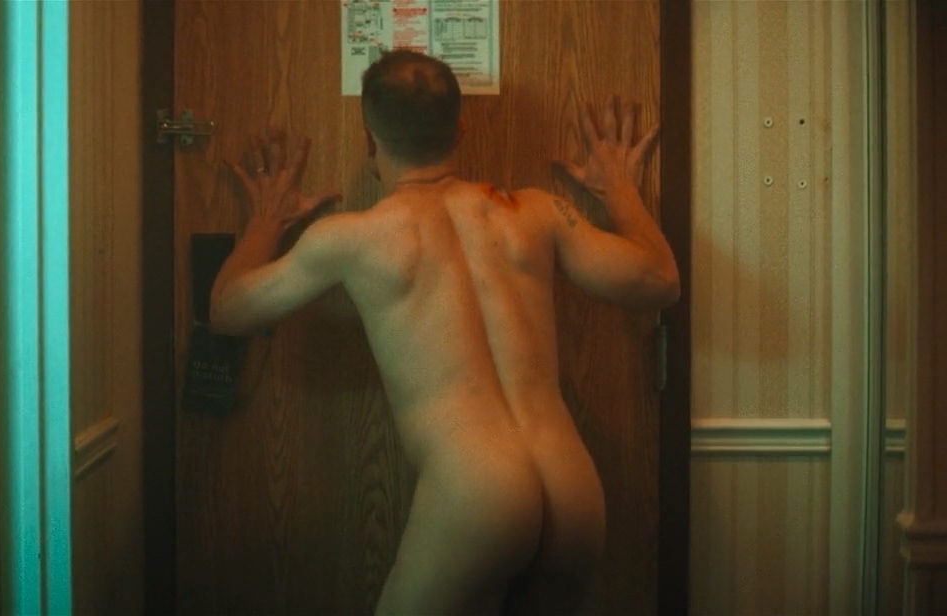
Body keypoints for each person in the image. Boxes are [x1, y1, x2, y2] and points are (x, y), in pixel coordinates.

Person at [208, 50, 680, 615]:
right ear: (460, 129)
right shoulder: (537, 212)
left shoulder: (351, 238)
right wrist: (620, 191)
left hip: (476, 494)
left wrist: (265, 223)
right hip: (573, 487)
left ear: (367, 136)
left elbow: (229, 310)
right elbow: (660, 281)